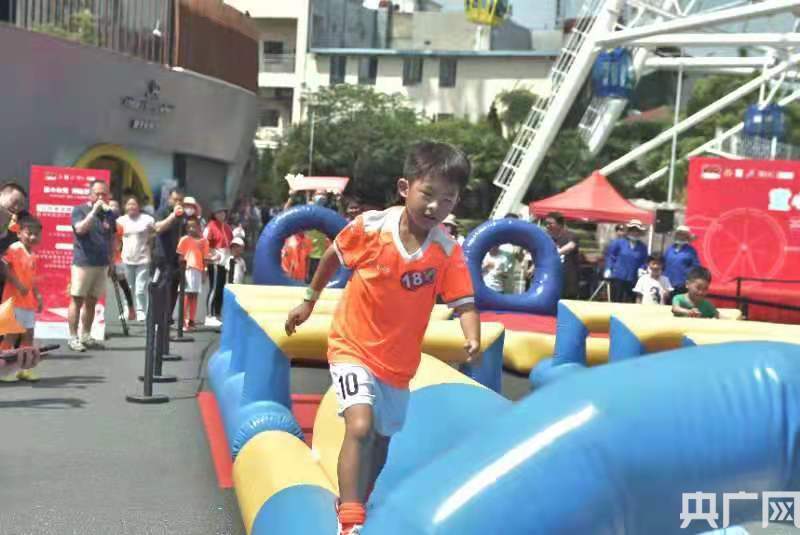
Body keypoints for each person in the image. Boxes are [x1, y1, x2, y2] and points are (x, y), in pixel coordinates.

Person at [284, 142, 481, 535]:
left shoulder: (446, 250)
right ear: (405, 187)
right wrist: (308, 300)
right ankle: (349, 518)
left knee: (381, 440)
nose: (435, 207)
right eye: (428, 194)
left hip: (397, 363)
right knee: (360, 426)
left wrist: (471, 335)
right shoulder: (371, 228)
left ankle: (360, 498)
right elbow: (332, 257)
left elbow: (465, 302)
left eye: (447, 200)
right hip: (352, 345)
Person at [68, 180, 115, 352]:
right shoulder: (79, 210)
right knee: (77, 299)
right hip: (83, 263)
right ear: (90, 195)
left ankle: (86, 335)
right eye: (97, 193)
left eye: (104, 194)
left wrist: (112, 261)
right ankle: (73, 337)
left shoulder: (109, 214)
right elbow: (80, 229)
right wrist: (94, 211)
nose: (101, 197)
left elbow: (111, 238)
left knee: (92, 301)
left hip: (101, 263)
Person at [0, 216, 43, 382]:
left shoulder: (34, 254)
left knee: (28, 336)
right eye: (29, 233)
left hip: (28, 303)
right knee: (10, 336)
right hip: (13, 302)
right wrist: (18, 285)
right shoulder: (14, 248)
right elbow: (4, 267)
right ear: (19, 234)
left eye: (36, 234)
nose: (32, 237)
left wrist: (38, 296)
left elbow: (32, 279)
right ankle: (1, 369)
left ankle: (24, 370)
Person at [116, 196, 155, 321]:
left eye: (134, 204)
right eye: (129, 204)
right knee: (128, 287)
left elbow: (154, 233)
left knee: (140, 288)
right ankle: (128, 309)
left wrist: (150, 246)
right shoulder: (120, 221)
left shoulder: (147, 219)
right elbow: (116, 239)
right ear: (125, 206)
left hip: (143, 258)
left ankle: (141, 310)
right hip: (126, 258)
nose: (131, 207)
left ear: (139, 206)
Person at [153, 187, 185, 319]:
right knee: (163, 286)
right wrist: (173, 216)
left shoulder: (183, 214)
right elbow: (158, 228)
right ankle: (158, 317)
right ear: (169, 199)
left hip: (177, 256)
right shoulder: (163, 211)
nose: (178, 203)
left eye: (180, 200)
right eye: (175, 199)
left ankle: (168, 317)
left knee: (174, 287)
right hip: (163, 255)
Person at [176, 217, 210, 332]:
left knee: (194, 295)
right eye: (189, 226)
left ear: (199, 227)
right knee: (186, 294)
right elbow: (180, 256)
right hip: (187, 270)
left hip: (198, 270)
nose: (191, 229)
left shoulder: (204, 241)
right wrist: (181, 271)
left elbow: (205, 258)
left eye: (194, 226)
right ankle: (183, 320)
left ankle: (191, 320)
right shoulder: (184, 239)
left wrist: (205, 271)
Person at [204, 200, 233, 327]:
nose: (222, 214)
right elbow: (205, 243)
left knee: (221, 288)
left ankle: (217, 314)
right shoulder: (210, 226)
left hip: (225, 260)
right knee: (214, 288)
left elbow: (230, 243)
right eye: (219, 212)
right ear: (214, 214)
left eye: (223, 212)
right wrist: (211, 255)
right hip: (215, 260)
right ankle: (209, 315)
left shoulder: (227, 227)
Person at [605, 219, 649, 303]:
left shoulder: (643, 247)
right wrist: (608, 268)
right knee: (616, 300)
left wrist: (642, 268)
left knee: (629, 301)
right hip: (618, 277)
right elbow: (611, 257)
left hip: (633, 278)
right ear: (628, 231)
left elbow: (644, 261)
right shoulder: (618, 243)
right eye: (632, 230)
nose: (635, 233)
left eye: (637, 231)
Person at [109, 199, 136, 321]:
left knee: (124, 284)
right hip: (102, 259)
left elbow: (119, 244)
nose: (113, 209)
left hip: (116, 259)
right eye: (111, 206)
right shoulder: (101, 223)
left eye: (115, 207)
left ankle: (131, 309)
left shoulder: (119, 227)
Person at [544, 212, 580, 299]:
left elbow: (571, 246)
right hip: (551, 279)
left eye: (550, 223)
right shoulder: (547, 238)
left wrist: (554, 254)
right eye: (546, 223)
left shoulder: (571, 236)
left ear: (560, 224)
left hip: (567, 280)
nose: (547, 226)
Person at [664, 224, 700, 300]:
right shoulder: (670, 249)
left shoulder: (691, 251)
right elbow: (663, 263)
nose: (680, 236)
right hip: (667, 284)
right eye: (679, 234)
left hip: (682, 285)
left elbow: (696, 267)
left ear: (686, 237)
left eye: (683, 234)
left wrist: (687, 276)